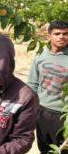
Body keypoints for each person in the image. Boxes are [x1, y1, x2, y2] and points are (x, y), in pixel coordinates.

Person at [27, 20, 68, 154]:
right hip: (42, 112)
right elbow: (33, 84)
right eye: (57, 34)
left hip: (63, 116)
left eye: (65, 34)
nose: (61, 37)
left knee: (62, 150)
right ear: (49, 36)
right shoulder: (40, 56)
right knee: (44, 148)